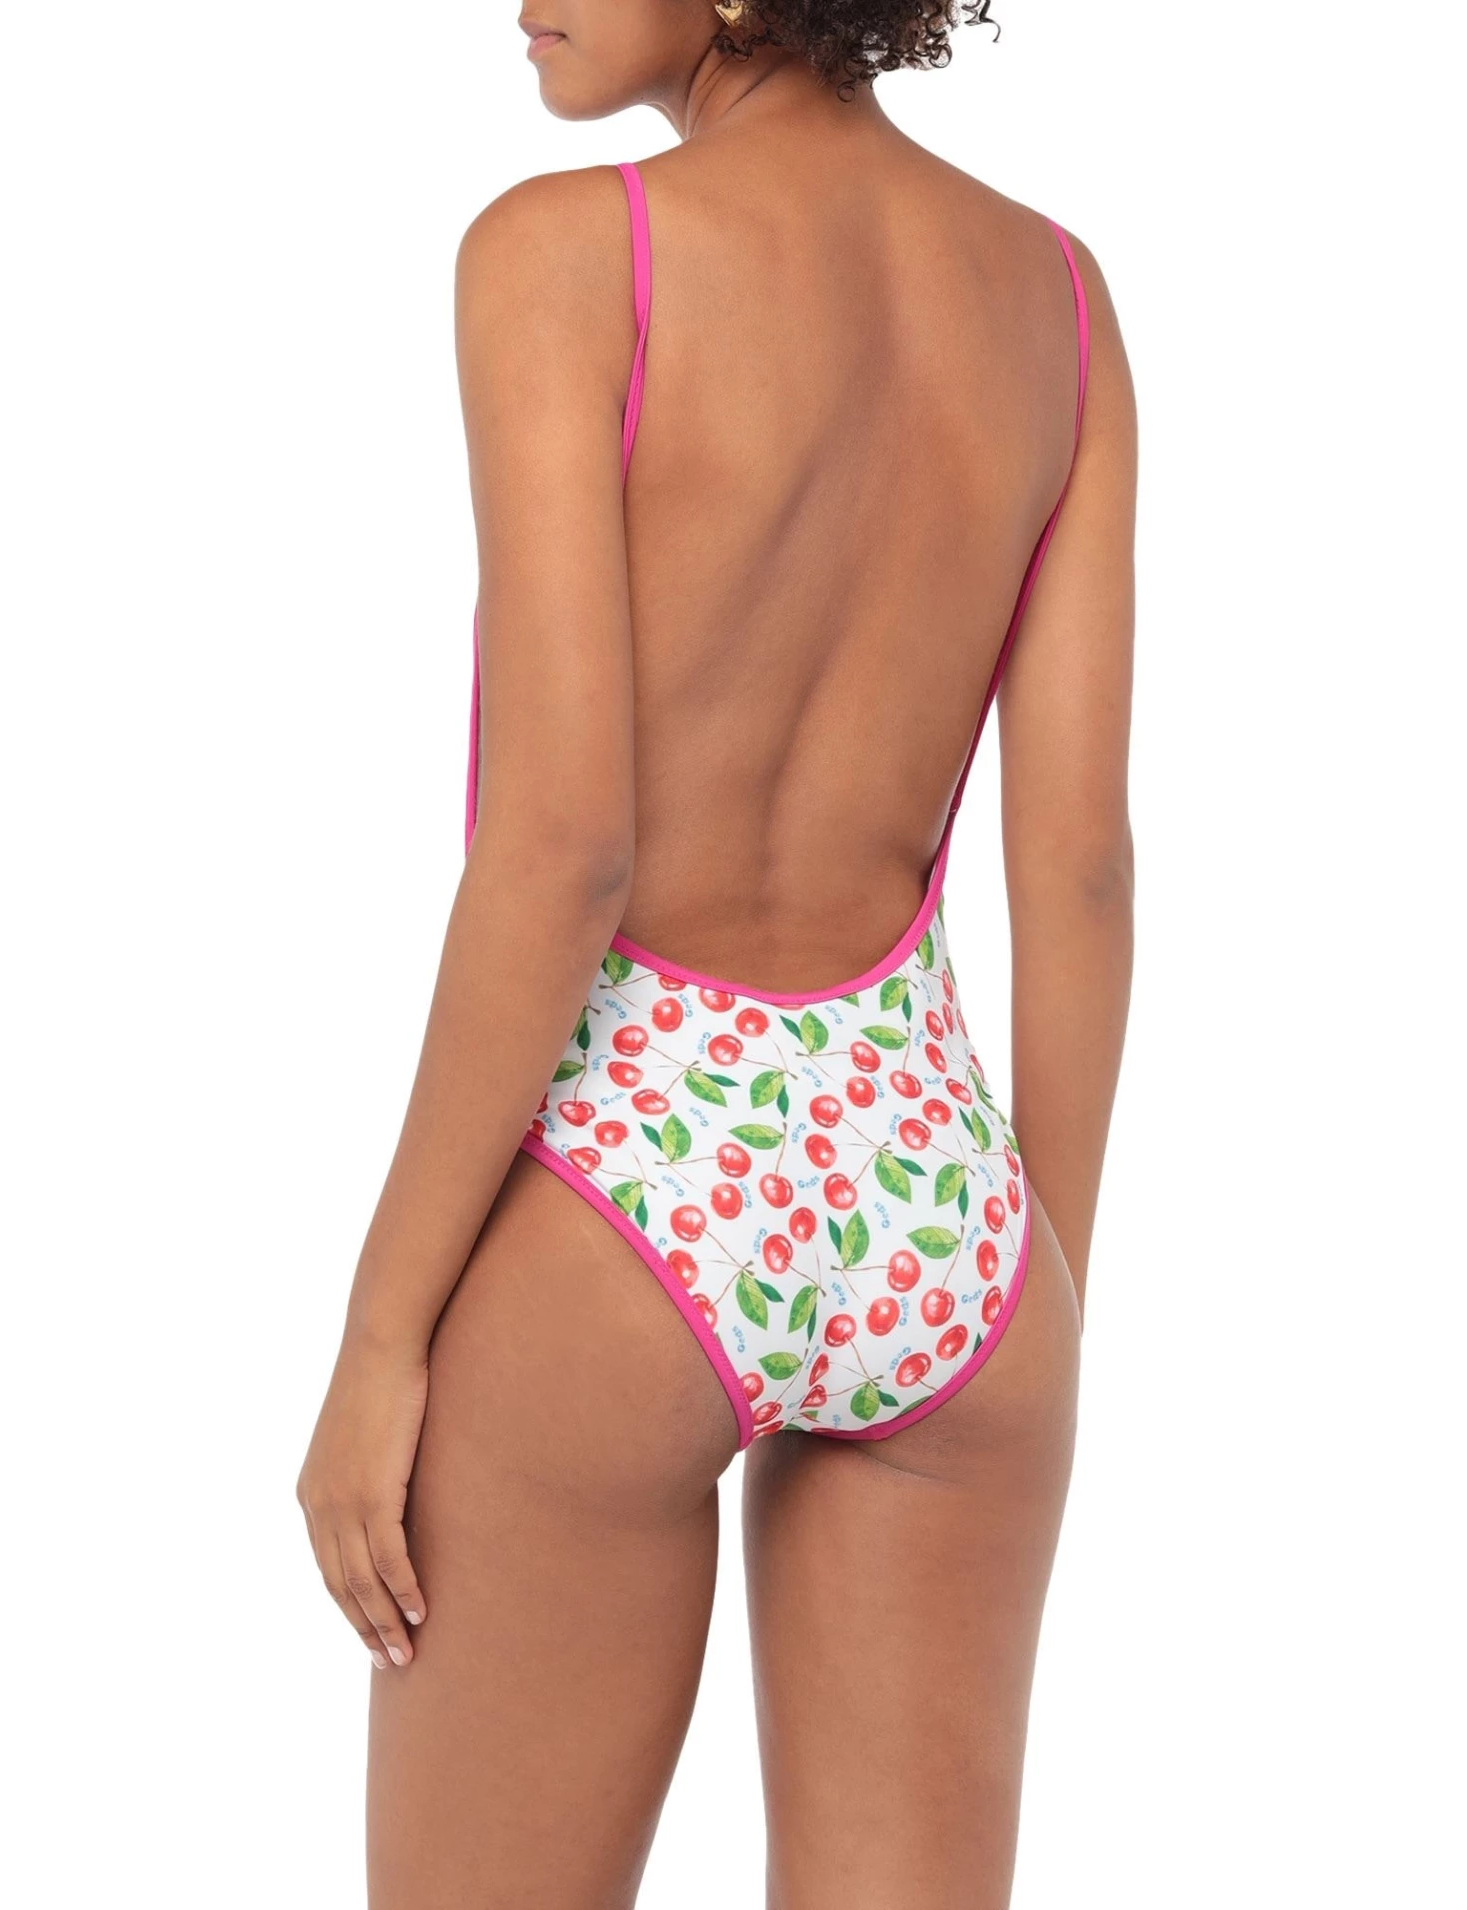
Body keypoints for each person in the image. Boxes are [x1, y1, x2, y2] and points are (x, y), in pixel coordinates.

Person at [298, 2, 1136, 1903]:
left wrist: (380, 1331)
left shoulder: (567, 254)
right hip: (938, 1199)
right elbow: (1080, 865)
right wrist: (1043, 1283)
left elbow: (564, 846)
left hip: (629, 1190)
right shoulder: (1063, 303)